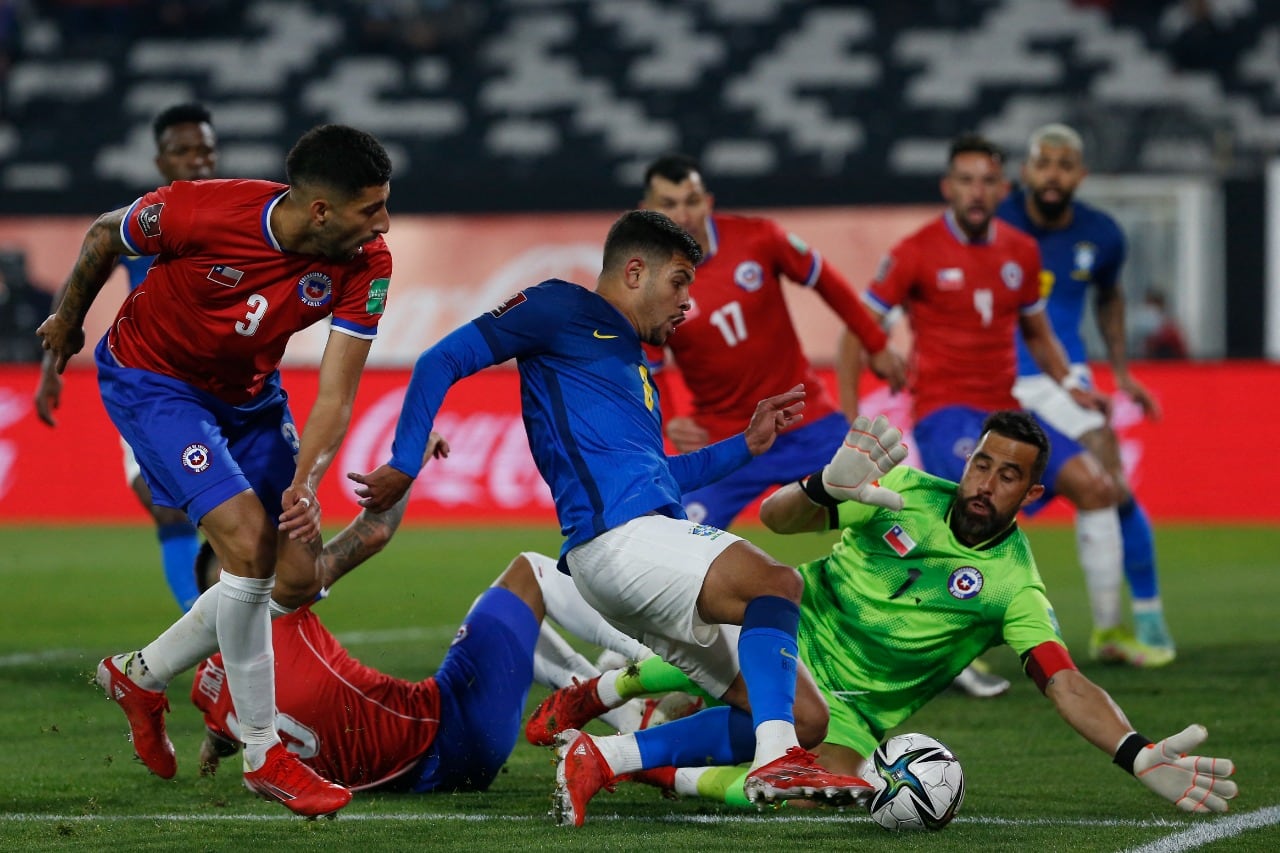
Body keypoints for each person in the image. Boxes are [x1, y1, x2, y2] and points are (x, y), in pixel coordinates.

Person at [350, 209, 878, 827]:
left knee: (804, 716)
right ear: (635, 271)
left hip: (644, 548)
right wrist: (406, 459)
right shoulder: (558, 308)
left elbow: (663, 477)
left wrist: (747, 444)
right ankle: (776, 757)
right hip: (620, 543)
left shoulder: (635, 364)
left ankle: (606, 756)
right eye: (679, 282)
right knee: (777, 583)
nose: (688, 302)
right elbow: (440, 359)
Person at [531, 411, 1239, 816]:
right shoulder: (901, 488)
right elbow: (777, 520)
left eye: (1009, 474)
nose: (987, 482)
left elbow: (1066, 681)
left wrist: (1137, 751)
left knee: (813, 794)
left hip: (855, 713)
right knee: (732, 694)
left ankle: (643, 759)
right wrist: (820, 485)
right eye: (983, 463)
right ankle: (603, 692)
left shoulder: (1013, 587)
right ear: (968, 461)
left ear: (1034, 491)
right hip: (777, 634)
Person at [36, 123, 394, 818]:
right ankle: (264, 753)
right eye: (370, 209)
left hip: (251, 397)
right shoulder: (204, 209)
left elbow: (337, 393)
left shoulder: (367, 261)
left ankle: (140, 675)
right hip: (156, 381)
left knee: (294, 575)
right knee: (247, 546)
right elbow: (105, 234)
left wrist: (307, 482)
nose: (382, 224)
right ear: (320, 210)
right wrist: (68, 320)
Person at [840, 133, 1142, 687]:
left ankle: (1108, 632)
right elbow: (855, 332)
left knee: (1098, 488)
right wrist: (850, 417)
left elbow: (1038, 330)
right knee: (977, 512)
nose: (976, 192)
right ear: (947, 187)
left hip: (1007, 411)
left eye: (986, 181)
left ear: (1002, 188)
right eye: (966, 180)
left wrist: (1072, 383)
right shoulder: (915, 251)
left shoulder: (1019, 252)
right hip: (946, 411)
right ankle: (952, 642)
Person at [637, 153, 906, 529]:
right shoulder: (650, 286)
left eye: (692, 201)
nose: (683, 215)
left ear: (708, 202)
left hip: (804, 419)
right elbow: (651, 365)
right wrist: (672, 419)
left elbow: (826, 281)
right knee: (666, 535)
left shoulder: (758, 238)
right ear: (647, 210)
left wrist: (875, 343)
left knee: (888, 514)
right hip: (725, 441)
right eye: (669, 204)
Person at [998, 123, 1176, 663]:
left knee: (1111, 479)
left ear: (1081, 174)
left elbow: (1110, 299)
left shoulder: (1103, 234)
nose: (1053, 174)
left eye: (1065, 164)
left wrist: (1120, 373)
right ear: (1027, 170)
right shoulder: (995, 223)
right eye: (1044, 163)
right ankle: (953, 633)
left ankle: (1138, 619)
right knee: (965, 502)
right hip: (993, 379)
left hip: (1065, 379)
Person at [34, 102, 220, 612]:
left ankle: (254, 628)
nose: (197, 161)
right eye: (182, 151)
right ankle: (202, 630)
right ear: (161, 163)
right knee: (165, 507)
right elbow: (75, 285)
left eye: (204, 149)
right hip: (150, 382)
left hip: (227, 385)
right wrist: (51, 369)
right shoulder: (139, 223)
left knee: (241, 516)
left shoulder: (241, 218)